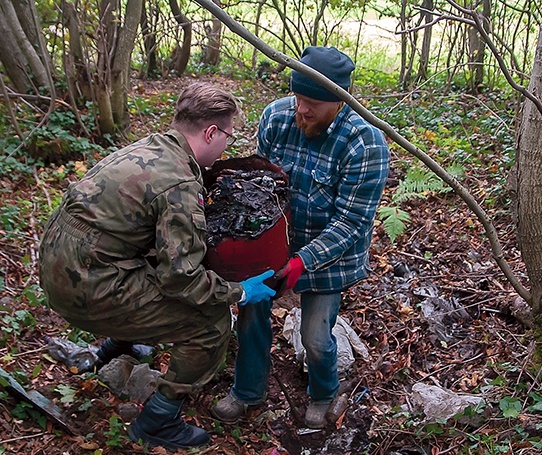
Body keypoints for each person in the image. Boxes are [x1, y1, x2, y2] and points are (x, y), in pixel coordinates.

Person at [38, 82, 276, 450]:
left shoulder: (150, 147)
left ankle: (111, 353)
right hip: (85, 286)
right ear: (211, 131)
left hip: (58, 264)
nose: (227, 143)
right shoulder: (178, 181)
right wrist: (241, 292)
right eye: (228, 135)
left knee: (149, 260)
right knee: (211, 323)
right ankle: (158, 420)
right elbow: (182, 279)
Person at [211, 46, 390, 428]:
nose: (301, 110)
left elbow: (352, 222)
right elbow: (256, 189)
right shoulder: (277, 118)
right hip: (273, 244)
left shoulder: (365, 143)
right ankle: (247, 392)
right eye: (298, 98)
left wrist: (302, 262)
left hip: (331, 255)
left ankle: (324, 394)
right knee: (250, 312)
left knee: (314, 336)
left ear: (339, 101)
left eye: (312, 103)